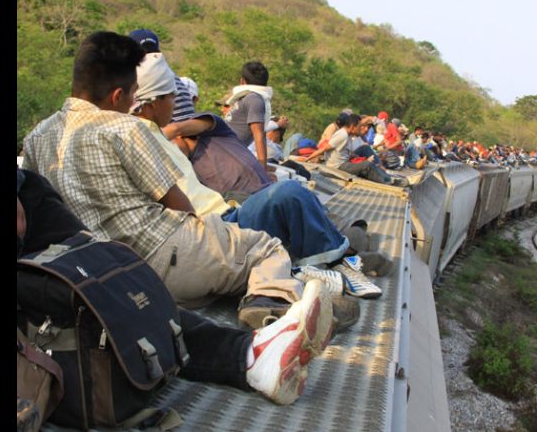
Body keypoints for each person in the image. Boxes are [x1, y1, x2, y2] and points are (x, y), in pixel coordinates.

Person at [20, 31, 347, 329]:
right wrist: (211, 241)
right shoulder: (126, 129)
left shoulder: (37, 137)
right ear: (119, 95)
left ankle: (242, 287)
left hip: (103, 271)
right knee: (265, 247)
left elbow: (41, 205)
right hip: (161, 254)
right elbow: (178, 206)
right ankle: (271, 305)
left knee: (222, 257)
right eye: (134, 93)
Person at [17, 167, 334, 406]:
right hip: (163, 245)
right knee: (106, 292)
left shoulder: (41, 150)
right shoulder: (128, 129)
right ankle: (261, 326)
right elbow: (182, 208)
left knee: (102, 283)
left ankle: (253, 351)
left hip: (53, 214)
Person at [301, 114, 408, 187]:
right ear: (352, 127)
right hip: (338, 165)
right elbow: (324, 148)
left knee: (366, 154)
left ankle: (388, 176)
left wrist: (356, 157)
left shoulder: (348, 134)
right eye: (359, 127)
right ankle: (388, 182)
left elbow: (346, 150)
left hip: (345, 161)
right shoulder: (342, 135)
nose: (360, 129)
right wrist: (308, 159)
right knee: (366, 165)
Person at [222, 61, 273, 169]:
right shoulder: (250, 98)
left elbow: (259, 134)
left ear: (242, 81)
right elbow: (259, 134)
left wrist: (262, 168)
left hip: (228, 154)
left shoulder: (253, 99)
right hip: (225, 152)